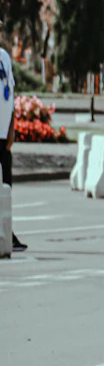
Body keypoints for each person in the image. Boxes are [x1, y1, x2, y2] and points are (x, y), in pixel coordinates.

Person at [0, 34, 27, 251]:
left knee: (6, 186)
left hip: (3, 135)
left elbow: (10, 96)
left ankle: (6, 230)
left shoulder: (4, 57)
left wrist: (12, 129)